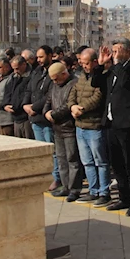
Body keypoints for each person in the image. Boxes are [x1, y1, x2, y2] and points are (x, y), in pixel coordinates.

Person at [100, 38, 130, 215]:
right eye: (113, 50)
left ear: (127, 51)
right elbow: (99, 84)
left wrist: (116, 63)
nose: (115, 54)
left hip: (126, 123)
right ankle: (123, 198)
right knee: (117, 164)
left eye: (118, 50)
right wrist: (101, 65)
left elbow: (128, 83)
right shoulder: (113, 68)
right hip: (111, 122)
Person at [68, 48, 110, 206]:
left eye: (86, 63)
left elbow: (98, 97)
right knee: (87, 162)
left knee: (101, 161)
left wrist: (82, 108)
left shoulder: (101, 77)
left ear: (94, 62)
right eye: (82, 63)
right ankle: (93, 191)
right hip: (80, 125)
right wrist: (72, 106)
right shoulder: (80, 76)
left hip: (94, 125)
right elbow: (73, 92)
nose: (83, 66)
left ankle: (104, 192)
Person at [44, 62, 82, 201]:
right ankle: (65, 186)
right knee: (61, 159)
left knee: (72, 159)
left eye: (56, 79)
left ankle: (74, 189)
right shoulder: (54, 85)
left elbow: (68, 105)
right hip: (57, 128)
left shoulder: (73, 84)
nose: (54, 82)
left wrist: (54, 115)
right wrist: (46, 112)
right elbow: (48, 100)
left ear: (64, 74)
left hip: (69, 127)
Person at [23, 46, 59, 190]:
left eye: (41, 57)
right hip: (34, 118)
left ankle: (56, 178)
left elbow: (49, 95)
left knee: (52, 151)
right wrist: (26, 105)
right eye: (37, 57)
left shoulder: (54, 71)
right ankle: (45, 176)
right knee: (42, 151)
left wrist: (34, 107)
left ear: (50, 56)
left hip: (45, 117)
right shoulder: (37, 72)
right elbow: (29, 90)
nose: (38, 60)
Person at [5, 56, 33, 139]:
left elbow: (26, 95)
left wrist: (17, 107)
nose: (15, 71)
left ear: (24, 65)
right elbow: (8, 92)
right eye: (13, 69)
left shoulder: (31, 76)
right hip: (15, 117)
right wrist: (5, 104)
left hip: (25, 117)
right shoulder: (13, 77)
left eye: (17, 69)